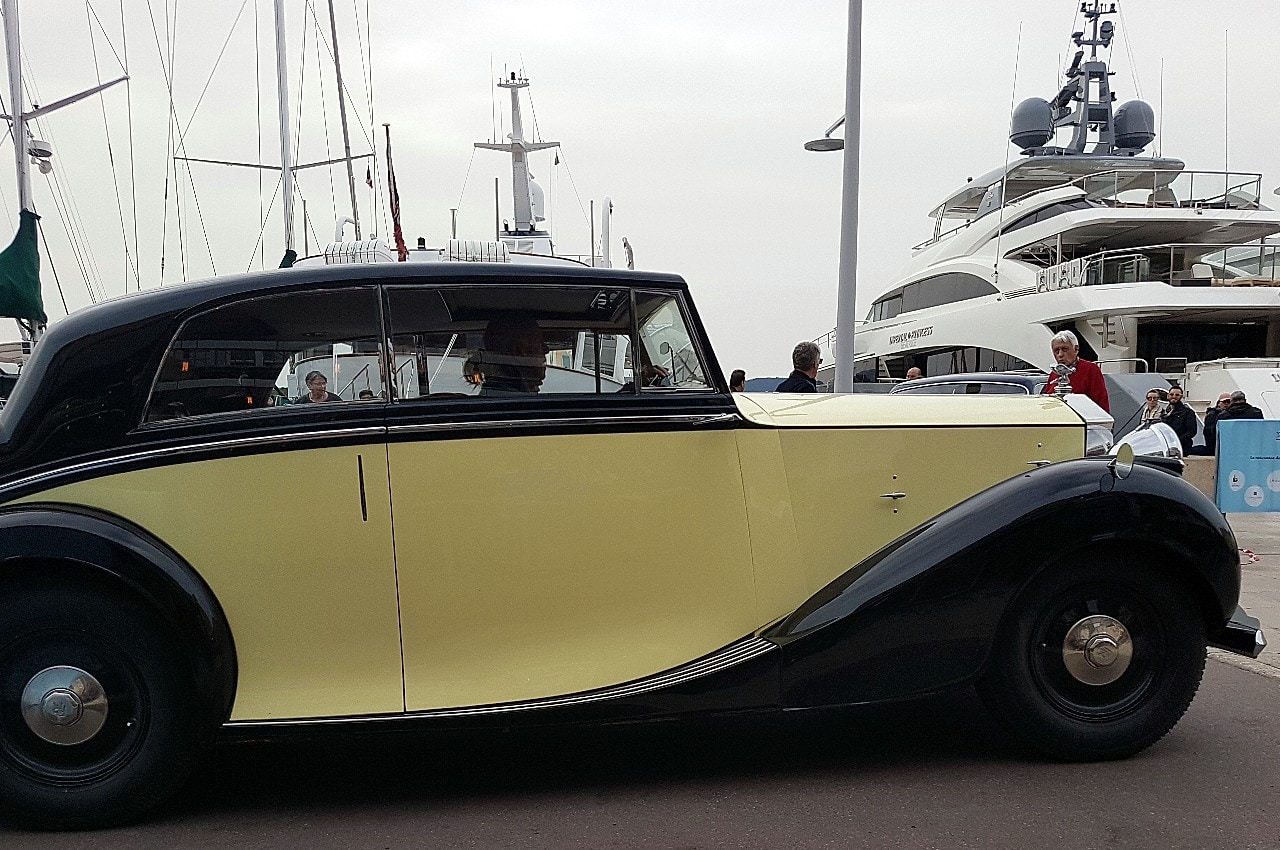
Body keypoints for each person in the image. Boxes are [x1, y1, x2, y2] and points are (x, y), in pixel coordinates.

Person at [475, 313, 547, 395]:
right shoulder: (518, 400)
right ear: (518, 351)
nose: (546, 349)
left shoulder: (495, 395)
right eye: (538, 342)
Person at [1041, 330, 1109, 412]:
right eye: (1056, 351)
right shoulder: (1054, 374)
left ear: (1076, 349)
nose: (1060, 354)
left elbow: (1101, 404)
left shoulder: (1091, 370)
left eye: (1064, 349)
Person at [1203, 389, 1264, 454]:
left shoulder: (1223, 416)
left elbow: (1214, 433)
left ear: (1231, 401)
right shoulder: (1256, 413)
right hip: (1251, 449)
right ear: (1245, 400)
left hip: (1228, 450)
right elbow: (1262, 430)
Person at [1161, 386, 1197, 455]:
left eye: (1177, 395)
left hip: (1181, 448)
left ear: (1181, 397)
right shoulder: (1163, 412)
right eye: (1171, 394)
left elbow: (1192, 431)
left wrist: (1177, 440)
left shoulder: (1188, 412)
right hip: (1166, 447)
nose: (1174, 397)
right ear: (1168, 396)